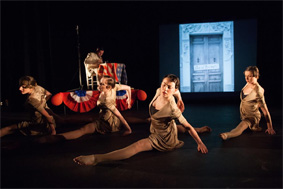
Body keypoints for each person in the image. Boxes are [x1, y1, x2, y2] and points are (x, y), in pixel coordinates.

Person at [73, 74, 208, 166]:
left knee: (137, 146)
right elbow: (176, 92)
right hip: (160, 126)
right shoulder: (158, 91)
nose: (165, 89)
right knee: (173, 126)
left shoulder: (173, 109)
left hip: (163, 139)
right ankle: (200, 129)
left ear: (174, 89)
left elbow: (188, 126)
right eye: (164, 84)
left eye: (169, 87)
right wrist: (180, 98)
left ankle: (97, 158)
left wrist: (200, 143)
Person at [38, 75, 133, 144]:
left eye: (101, 84)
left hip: (107, 123)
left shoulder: (107, 100)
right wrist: (128, 99)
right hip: (108, 117)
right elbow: (128, 88)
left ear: (108, 87)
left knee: (83, 129)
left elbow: (119, 115)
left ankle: (57, 137)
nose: (98, 85)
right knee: (87, 121)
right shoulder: (114, 87)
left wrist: (128, 129)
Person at [220, 66, 275, 140]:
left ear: (256, 76)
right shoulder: (248, 83)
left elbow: (265, 111)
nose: (246, 79)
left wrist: (270, 127)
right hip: (244, 115)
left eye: (249, 76)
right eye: (245, 76)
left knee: (240, 127)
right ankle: (228, 133)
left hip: (252, 116)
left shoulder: (258, 91)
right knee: (240, 125)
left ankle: (227, 135)